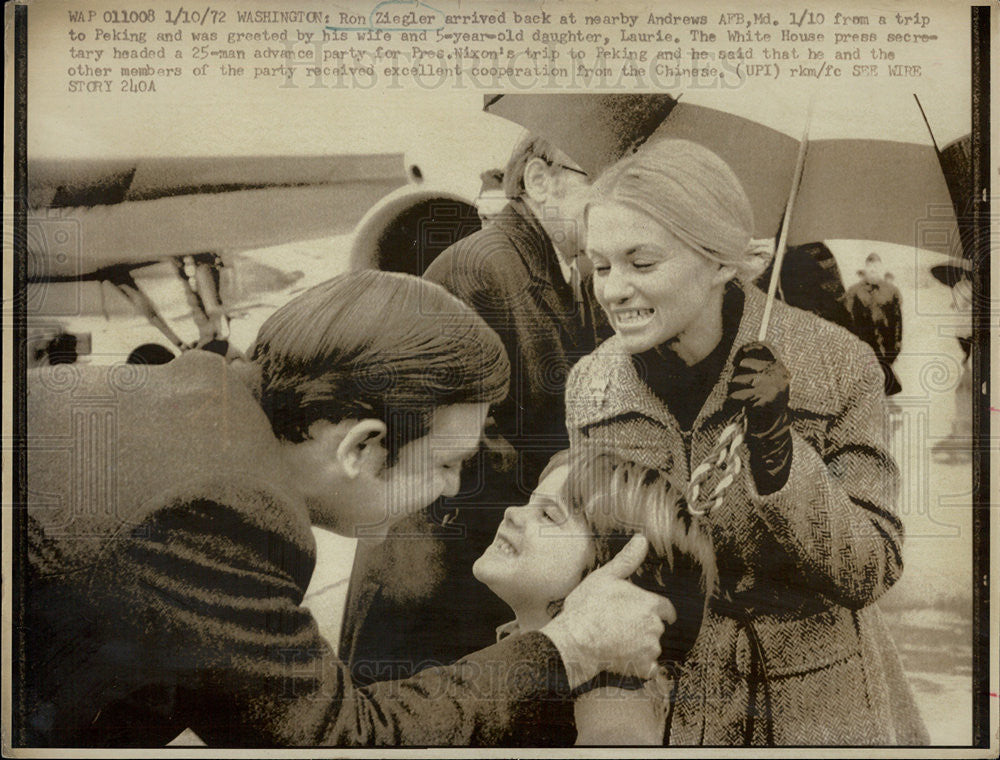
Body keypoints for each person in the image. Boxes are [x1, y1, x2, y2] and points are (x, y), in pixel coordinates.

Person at [20, 269, 673, 747]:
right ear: (362, 447)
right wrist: (568, 646)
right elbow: (335, 740)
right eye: (445, 463)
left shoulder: (185, 401)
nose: (451, 489)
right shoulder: (219, 511)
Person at [565, 139, 929, 745]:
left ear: (721, 262)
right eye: (600, 266)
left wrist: (779, 451)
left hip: (822, 708)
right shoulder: (592, 388)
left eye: (642, 263)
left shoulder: (839, 364)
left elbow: (870, 569)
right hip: (667, 708)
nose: (614, 290)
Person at [340, 136, 611, 682]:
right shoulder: (484, 267)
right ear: (538, 181)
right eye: (602, 186)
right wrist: (566, 477)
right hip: (432, 568)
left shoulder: (559, 270)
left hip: (470, 557)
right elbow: (443, 435)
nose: (616, 204)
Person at [473, 447, 718, 745]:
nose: (512, 513)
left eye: (548, 515)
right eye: (529, 502)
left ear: (613, 583)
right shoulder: (520, 647)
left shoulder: (611, 726)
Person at [842, 252, 904, 395]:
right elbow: (847, 317)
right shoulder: (854, 291)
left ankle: (883, 399)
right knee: (873, 378)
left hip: (887, 339)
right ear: (865, 268)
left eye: (876, 266)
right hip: (866, 339)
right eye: (870, 266)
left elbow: (897, 319)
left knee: (885, 374)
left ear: (881, 268)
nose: (873, 270)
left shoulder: (891, 291)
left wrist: (898, 341)